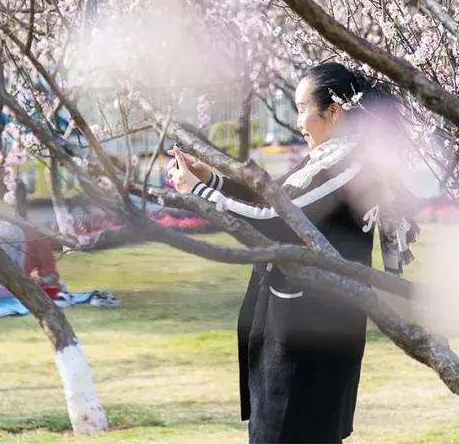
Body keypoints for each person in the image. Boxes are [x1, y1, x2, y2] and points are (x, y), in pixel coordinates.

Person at [167, 62, 416, 444]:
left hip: (308, 340)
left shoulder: (346, 167)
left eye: (302, 108)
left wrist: (197, 192)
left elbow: (272, 220)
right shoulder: (335, 159)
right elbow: (280, 199)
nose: (298, 120)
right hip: (306, 328)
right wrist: (210, 179)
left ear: (333, 112)